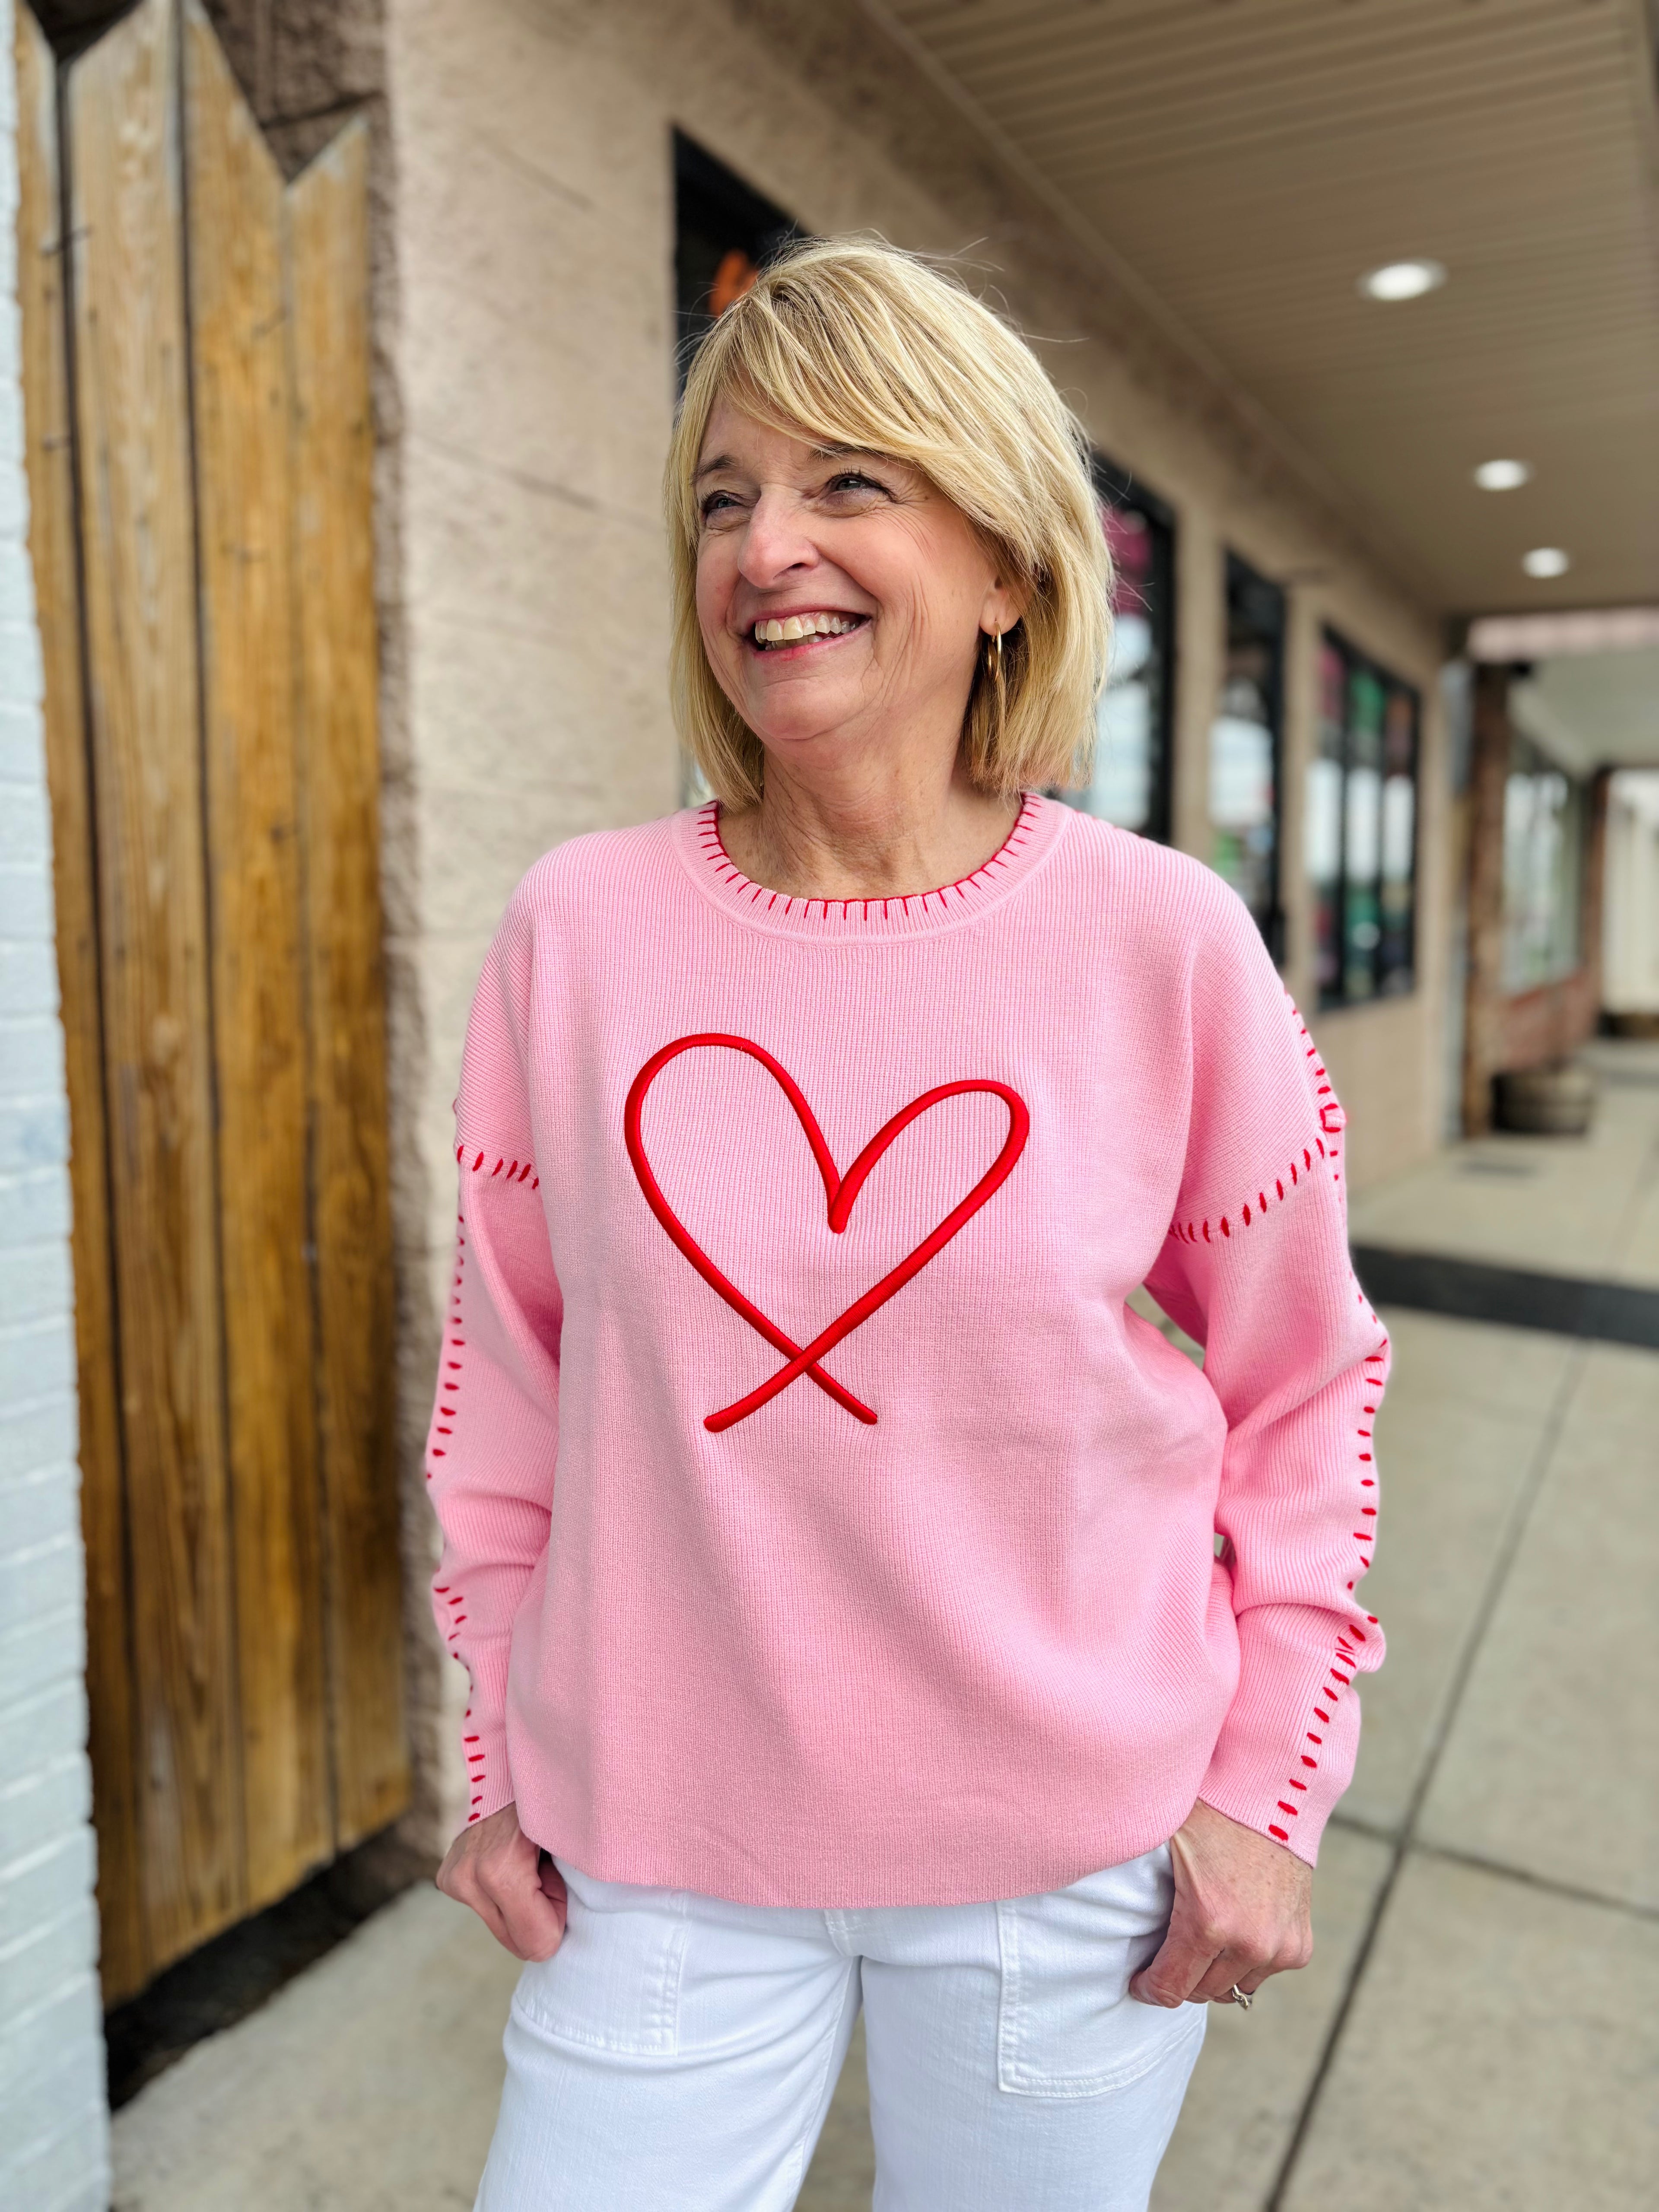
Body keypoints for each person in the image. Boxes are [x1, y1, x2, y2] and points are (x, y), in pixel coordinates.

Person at [426, 237, 1387, 2212]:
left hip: (1065, 1877)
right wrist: (494, 1739)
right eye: (723, 497)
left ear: (1012, 564)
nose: (767, 544)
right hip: (658, 1858)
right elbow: (508, 1388)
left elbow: (1307, 1386)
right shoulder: (580, 933)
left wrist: (1270, 1785)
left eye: (849, 481)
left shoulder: (1161, 941)